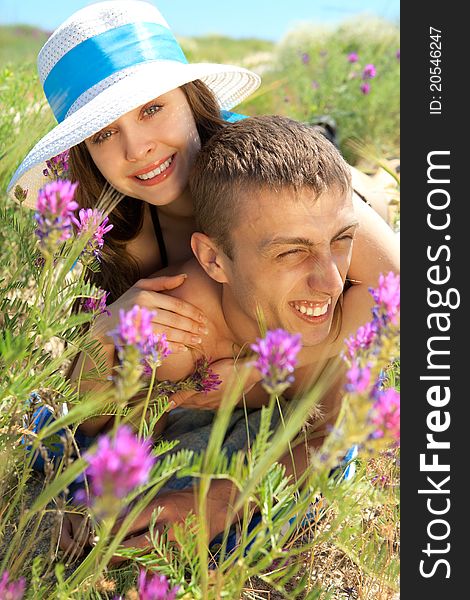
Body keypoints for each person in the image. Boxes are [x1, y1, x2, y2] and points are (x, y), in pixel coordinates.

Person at [7, 0, 399, 557]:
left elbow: (404, 290)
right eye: (102, 135)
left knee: (354, 197)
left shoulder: (267, 178)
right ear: (87, 155)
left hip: (292, 241)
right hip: (222, 361)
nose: (135, 148)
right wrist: (105, 330)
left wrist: (271, 357)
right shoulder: (113, 228)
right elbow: (95, 394)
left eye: (152, 109)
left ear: (192, 101)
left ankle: (352, 161)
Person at [63, 115, 396, 559]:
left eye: (342, 241)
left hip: (327, 191)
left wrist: (226, 498)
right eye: (291, 252)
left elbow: (332, 434)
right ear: (211, 260)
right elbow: (97, 422)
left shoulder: (345, 307)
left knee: (371, 195)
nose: (332, 282)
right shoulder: (181, 327)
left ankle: (363, 174)